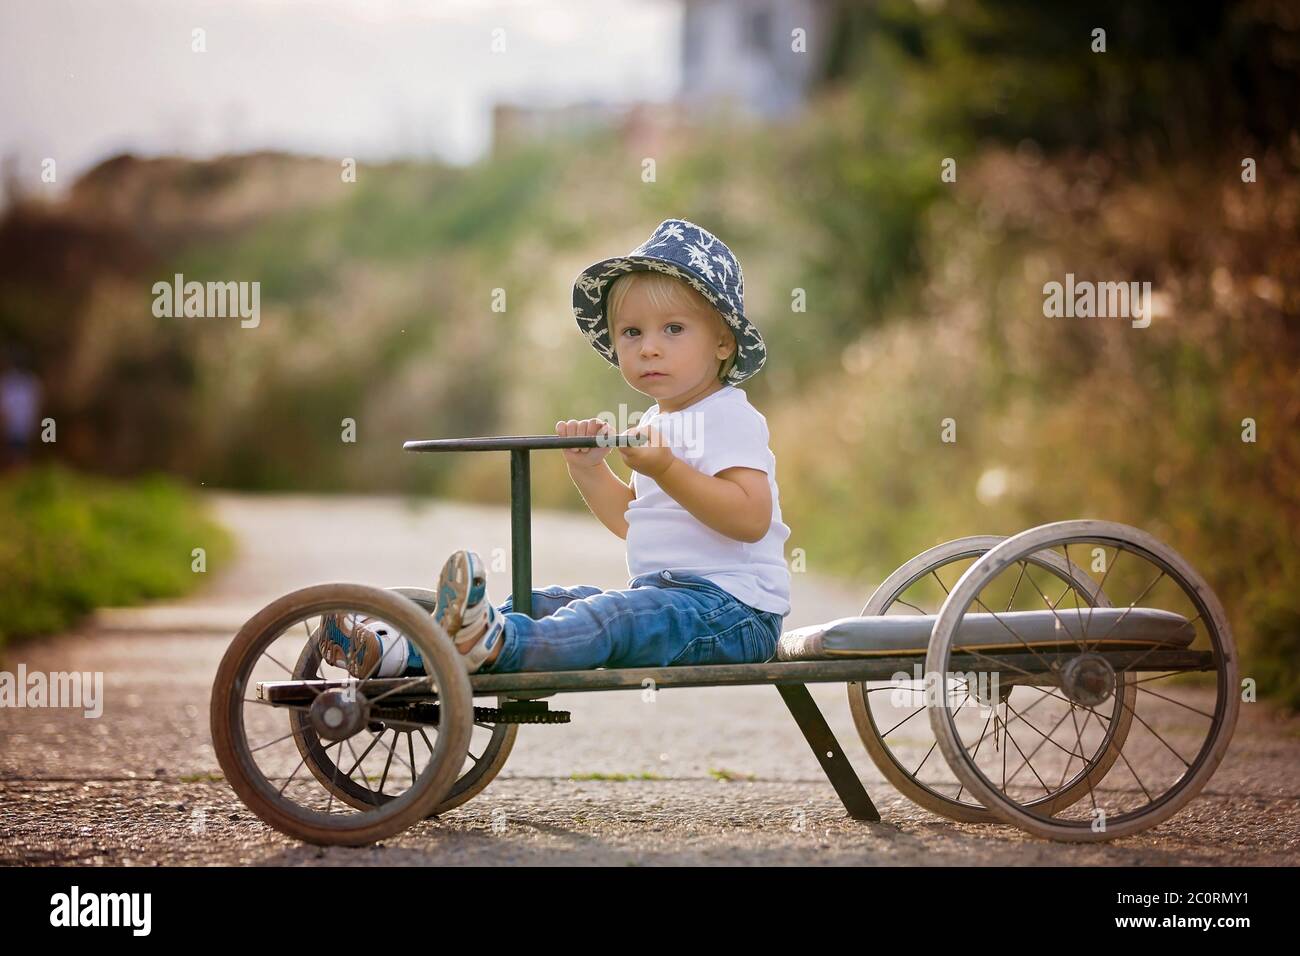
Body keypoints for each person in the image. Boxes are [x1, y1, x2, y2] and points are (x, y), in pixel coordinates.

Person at [319, 218, 791, 676]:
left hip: (733, 611)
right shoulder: (656, 420)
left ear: (723, 343)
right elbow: (638, 523)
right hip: (669, 599)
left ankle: (490, 643)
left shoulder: (728, 415)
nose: (649, 348)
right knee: (542, 603)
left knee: (610, 617)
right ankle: (400, 649)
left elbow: (749, 520)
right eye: (632, 332)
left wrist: (666, 468)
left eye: (673, 329)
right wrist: (588, 470)